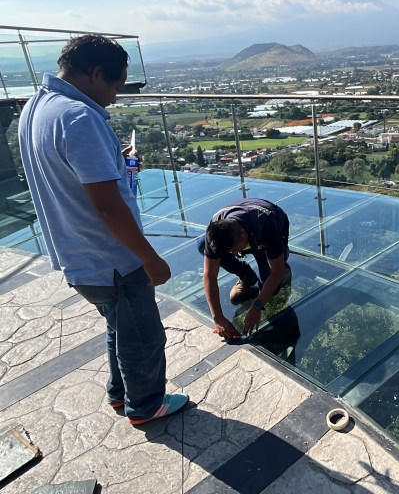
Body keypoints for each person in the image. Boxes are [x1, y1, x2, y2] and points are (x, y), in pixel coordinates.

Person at [18, 35, 188, 425]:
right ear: (96, 74)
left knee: (119, 327)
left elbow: (71, 175)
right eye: (114, 85)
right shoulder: (79, 117)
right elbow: (108, 207)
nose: (115, 97)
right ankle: (145, 405)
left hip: (77, 256)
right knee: (143, 337)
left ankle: (119, 392)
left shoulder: (37, 107)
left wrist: (116, 162)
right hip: (111, 260)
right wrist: (150, 258)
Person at [197, 198, 290, 339]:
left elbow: (277, 273)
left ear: (242, 233)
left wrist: (257, 306)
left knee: (273, 283)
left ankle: (278, 255)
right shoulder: (216, 231)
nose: (235, 254)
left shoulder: (265, 225)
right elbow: (209, 275)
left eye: (234, 249)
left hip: (269, 233)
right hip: (248, 234)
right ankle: (246, 275)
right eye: (230, 252)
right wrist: (218, 317)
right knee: (202, 245)